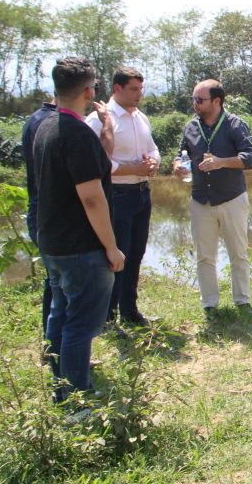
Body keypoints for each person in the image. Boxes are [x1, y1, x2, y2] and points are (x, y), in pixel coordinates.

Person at [33, 57, 125, 405]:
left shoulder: (46, 126)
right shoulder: (75, 133)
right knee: (81, 325)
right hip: (81, 248)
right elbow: (91, 198)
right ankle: (77, 401)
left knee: (59, 314)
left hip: (53, 243)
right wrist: (112, 247)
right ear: (89, 91)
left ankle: (60, 387)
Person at [172, 79, 252, 317]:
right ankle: (209, 304)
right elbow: (181, 155)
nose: (195, 104)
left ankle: (243, 302)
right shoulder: (191, 127)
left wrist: (221, 162)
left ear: (217, 101)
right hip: (201, 200)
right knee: (204, 257)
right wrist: (178, 165)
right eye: (193, 99)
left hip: (232, 198)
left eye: (199, 100)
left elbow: (251, 157)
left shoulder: (235, 125)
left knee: (238, 254)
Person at [86, 66, 159, 328]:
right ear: (117, 89)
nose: (139, 94)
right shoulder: (99, 121)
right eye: (134, 89)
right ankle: (108, 314)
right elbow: (97, 163)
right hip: (117, 195)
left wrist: (153, 162)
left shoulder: (141, 118)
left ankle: (130, 310)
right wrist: (132, 169)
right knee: (117, 255)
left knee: (137, 253)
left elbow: (152, 148)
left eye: (141, 89)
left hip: (141, 193)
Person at [22, 96, 57, 334]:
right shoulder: (51, 123)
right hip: (50, 215)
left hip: (43, 212)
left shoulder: (37, 119)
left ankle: (54, 349)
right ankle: (55, 353)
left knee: (56, 282)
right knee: (57, 284)